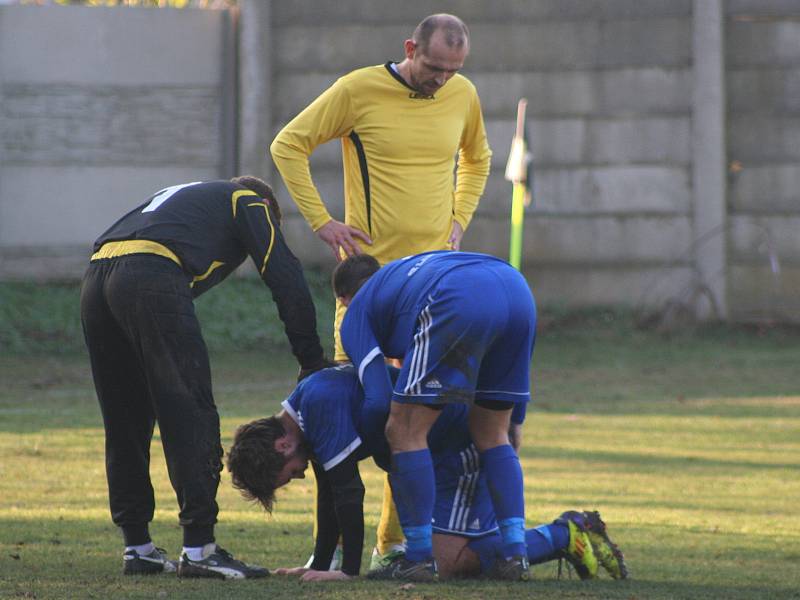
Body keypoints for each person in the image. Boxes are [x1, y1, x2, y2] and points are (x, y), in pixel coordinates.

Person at [270, 12, 493, 566]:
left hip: (437, 289)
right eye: (434, 67)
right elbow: (288, 145)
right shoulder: (358, 89)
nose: (441, 80)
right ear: (411, 46)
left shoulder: (463, 93)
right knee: (347, 416)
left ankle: (395, 547)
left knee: (414, 418)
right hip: (368, 289)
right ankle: (331, 554)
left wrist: (459, 218)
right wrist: (323, 222)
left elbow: (478, 158)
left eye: (452, 70)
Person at [80, 177, 333, 579]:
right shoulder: (248, 200)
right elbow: (284, 274)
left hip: (96, 277)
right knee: (190, 410)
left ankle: (138, 547)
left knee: (124, 421)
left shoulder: (191, 198)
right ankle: (200, 549)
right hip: (150, 272)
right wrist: (312, 361)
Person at [226, 365, 628, 582]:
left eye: (288, 475)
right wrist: (320, 562)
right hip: (437, 453)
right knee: (449, 559)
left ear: (282, 445)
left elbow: (348, 493)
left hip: (460, 445)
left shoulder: (319, 406)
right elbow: (333, 490)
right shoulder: (307, 405)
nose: (298, 477)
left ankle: (567, 532)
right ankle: (558, 536)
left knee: (450, 562)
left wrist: (347, 573)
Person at [330, 250, 537, 580]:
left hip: (456, 294)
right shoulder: (399, 278)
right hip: (517, 288)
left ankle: (418, 558)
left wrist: (381, 452)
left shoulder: (356, 313)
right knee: (492, 433)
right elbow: (508, 414)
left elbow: (378, 400)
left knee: (403, 430)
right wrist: (515, 420)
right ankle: (515, 554)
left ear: (343, 299)